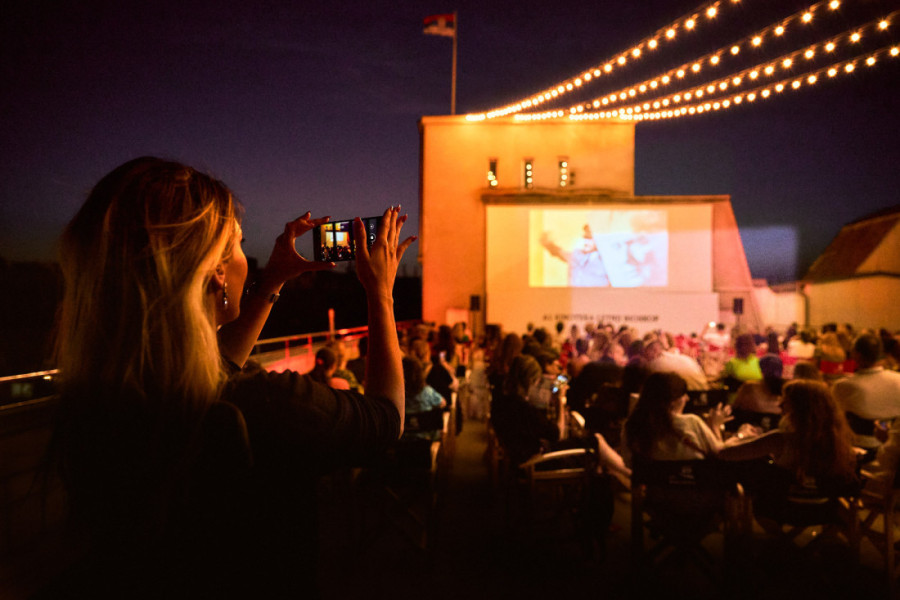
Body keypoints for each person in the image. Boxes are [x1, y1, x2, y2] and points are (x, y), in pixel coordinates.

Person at [49, 157, 415, 597]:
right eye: (239, 244)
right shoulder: (260, 408)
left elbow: (212, 366)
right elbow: (386, 419)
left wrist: (274, 279)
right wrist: (381, 294)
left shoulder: (103, 397)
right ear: (217, 271)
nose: (249, 257)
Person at [718, 380, 858, 520]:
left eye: (785, 400)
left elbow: (725, 453)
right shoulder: (839, 444)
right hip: (827, 509)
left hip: (782, 509)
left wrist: (741, 435)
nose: (779, 404)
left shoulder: (781, 440)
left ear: (799, 407)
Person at [624, 372, 752, 462]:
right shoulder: (691, 423)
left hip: (655, 498)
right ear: (673, 400)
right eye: (683, 394)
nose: (687, 398)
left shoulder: (632, 427)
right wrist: (734, 434)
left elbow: (628, 463)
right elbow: (722, 454)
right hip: (698, 498)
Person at [832, 333, 900, 454]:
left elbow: (835, 418)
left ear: (856, 355)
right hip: (895, 444)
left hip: (860, 447)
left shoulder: (844, 385)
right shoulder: (898, 379)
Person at [539, 225, 610, 287]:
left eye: (589, 237)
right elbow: (558, 252)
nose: (586, 241)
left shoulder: (607, 262)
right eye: (585, 236)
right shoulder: (577, 255)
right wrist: (548, 244)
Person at [401, 356, 446, 441]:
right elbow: (443, 403)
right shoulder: (427, 392)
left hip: (402, 441)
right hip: (426, 440)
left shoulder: (398, 397)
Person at [642, 339, 709, 391]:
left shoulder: (655, 364)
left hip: (683, 399)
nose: (645, 359)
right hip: (702, 395)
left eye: (646, 355)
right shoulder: (686, 358)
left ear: (654, 351)